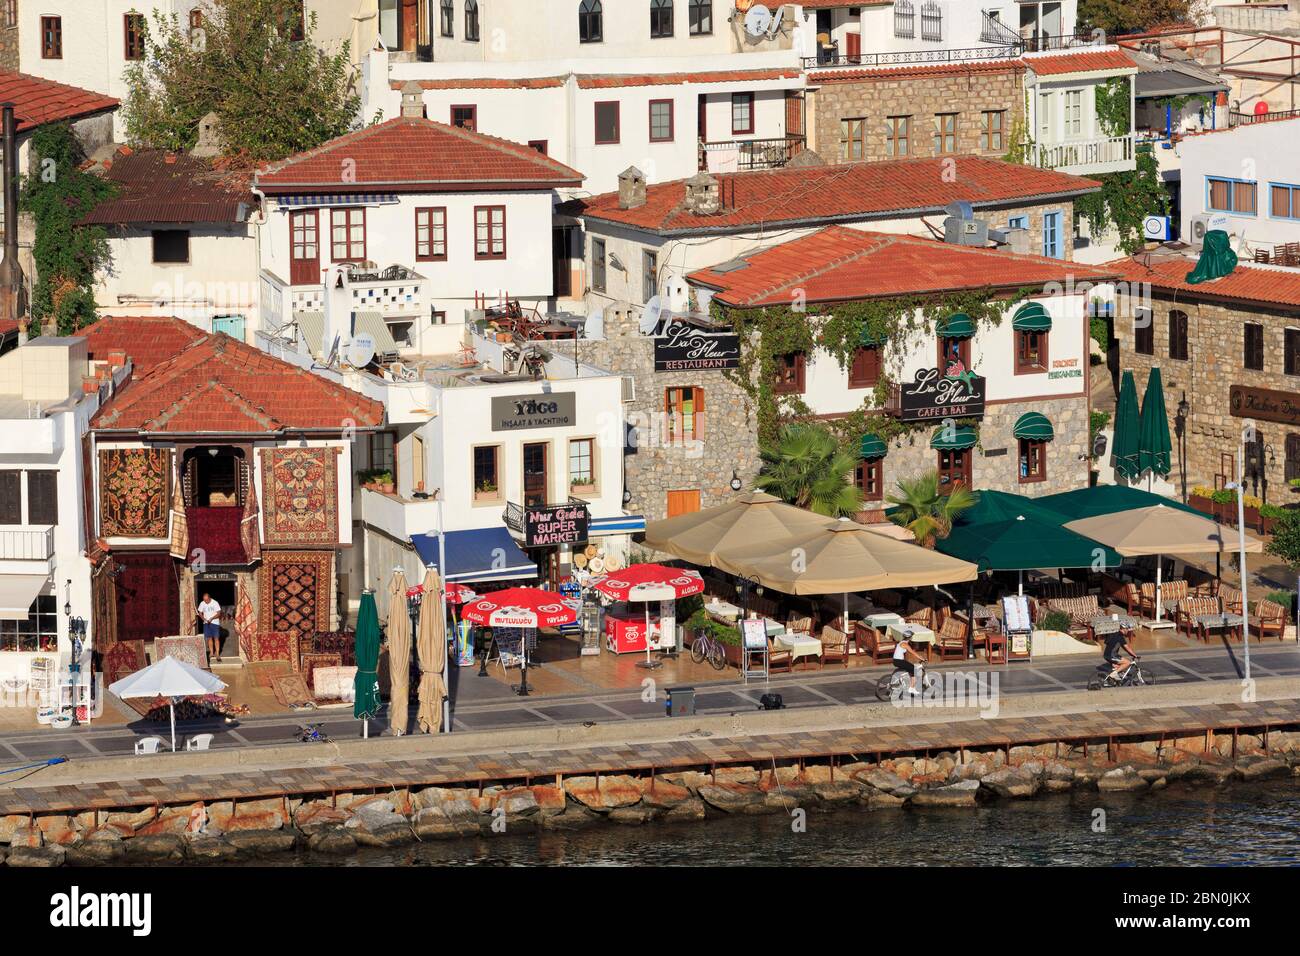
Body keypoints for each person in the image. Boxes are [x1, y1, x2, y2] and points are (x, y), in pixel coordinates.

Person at [198, 592, 223, 660]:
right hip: (206, 623)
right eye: (204, 600)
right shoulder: (202, 603)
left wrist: (212, 618)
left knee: (216, 638)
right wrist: (203, 619)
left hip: (214, 623)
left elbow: (219, 613)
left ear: (209, 598)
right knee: (209, 638)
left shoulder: (215, 603)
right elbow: (200, 612)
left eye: (206, 600)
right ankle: (211, 652)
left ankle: (217, 653)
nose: (205, 601)